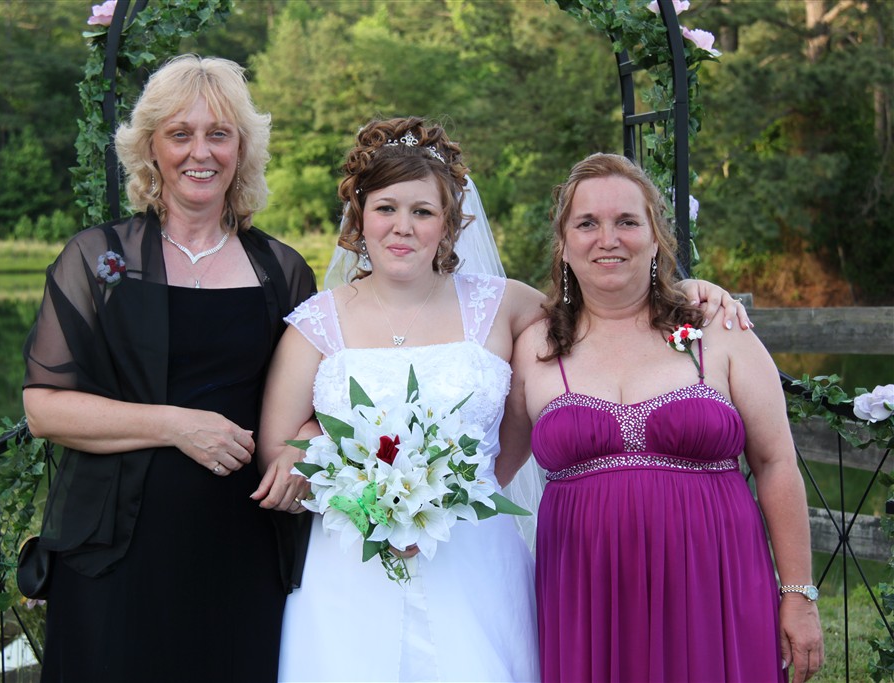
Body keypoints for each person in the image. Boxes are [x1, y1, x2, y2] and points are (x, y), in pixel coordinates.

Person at [256, 119, 750, 683]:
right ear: (359, 216)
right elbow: (278, 446)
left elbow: (610, 314)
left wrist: (688, 291)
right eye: (386, 208)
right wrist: (338, 465)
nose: (403, 227)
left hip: (472, 556)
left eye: (423, 211)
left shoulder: (507, 305)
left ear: (449, 224)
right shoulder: (315, 324)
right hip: (350, 567)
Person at [22, 55, 315, 682]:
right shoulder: (98, 261)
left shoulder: (283, 271)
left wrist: (302, 446)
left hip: (239, 550)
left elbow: (313, 406)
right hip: (114, 553)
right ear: (150, 147)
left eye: (219, 134)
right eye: (180, 134)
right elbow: (44, 409)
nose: (199, 152)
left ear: (242, 148)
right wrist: (177, 425)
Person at [500, 153, 825, 682]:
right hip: (587, 595)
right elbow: (490, 472)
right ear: (563, 243)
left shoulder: (716, 328)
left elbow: (776, 463)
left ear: (656, 238)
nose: (608, 239)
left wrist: (798, 595)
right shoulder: (535, 345)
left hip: (715, 584)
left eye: (627, 221)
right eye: (587, 223)